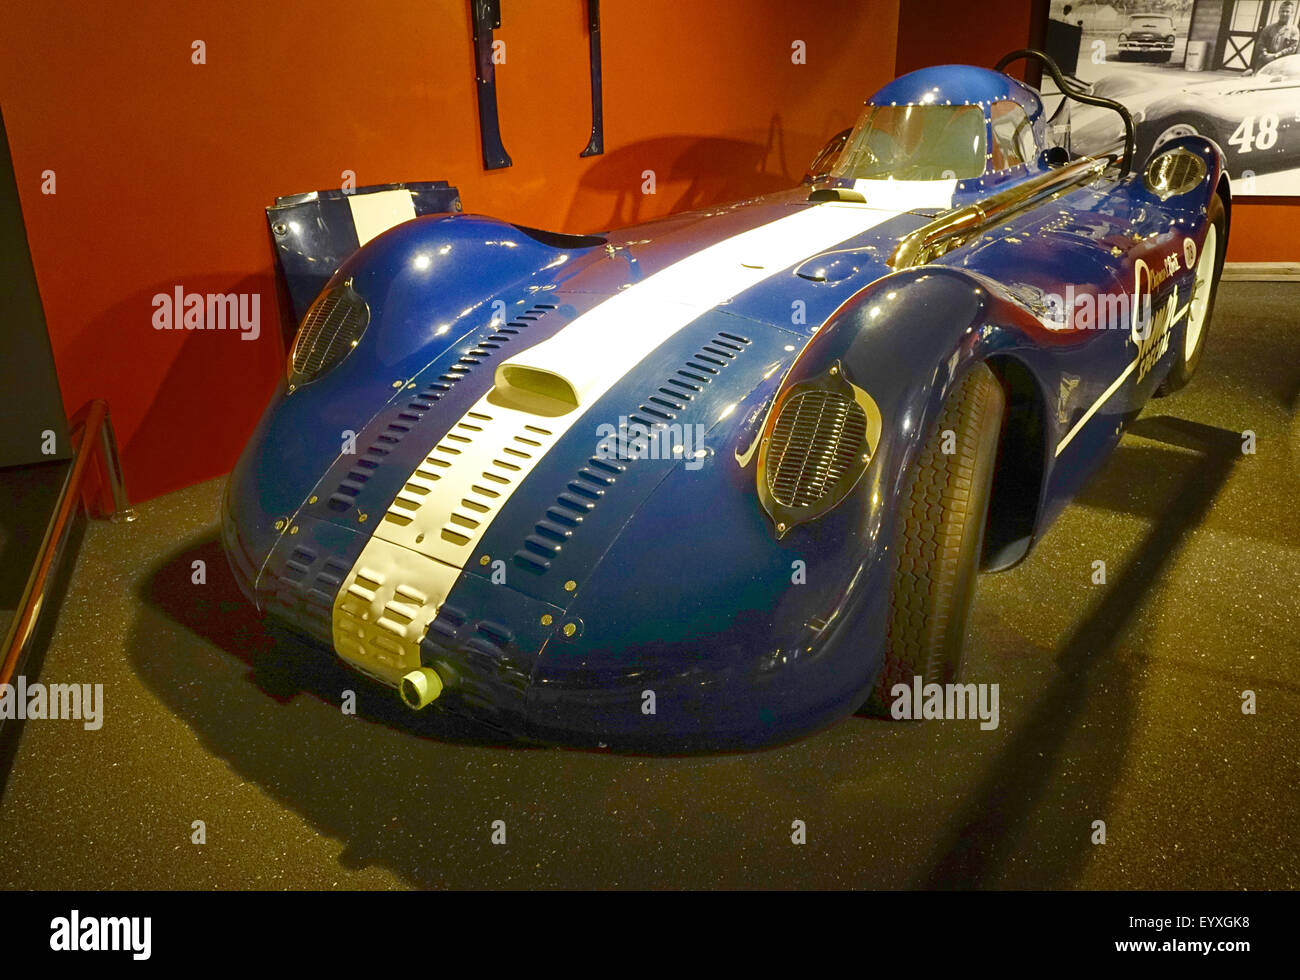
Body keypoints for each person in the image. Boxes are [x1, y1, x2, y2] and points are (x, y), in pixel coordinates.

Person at [1252, 1, 1299, 71]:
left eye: (1287, 11)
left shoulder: (1294, 30)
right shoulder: (1268, 28)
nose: (1284, 14)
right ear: (1279, 12)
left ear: (1292, 13)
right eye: (1282, 11)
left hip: (1281, 64)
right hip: (1264, 62)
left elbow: (1292, 48)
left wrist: (1277, 55)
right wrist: (1264, 53)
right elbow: (1260, 43)